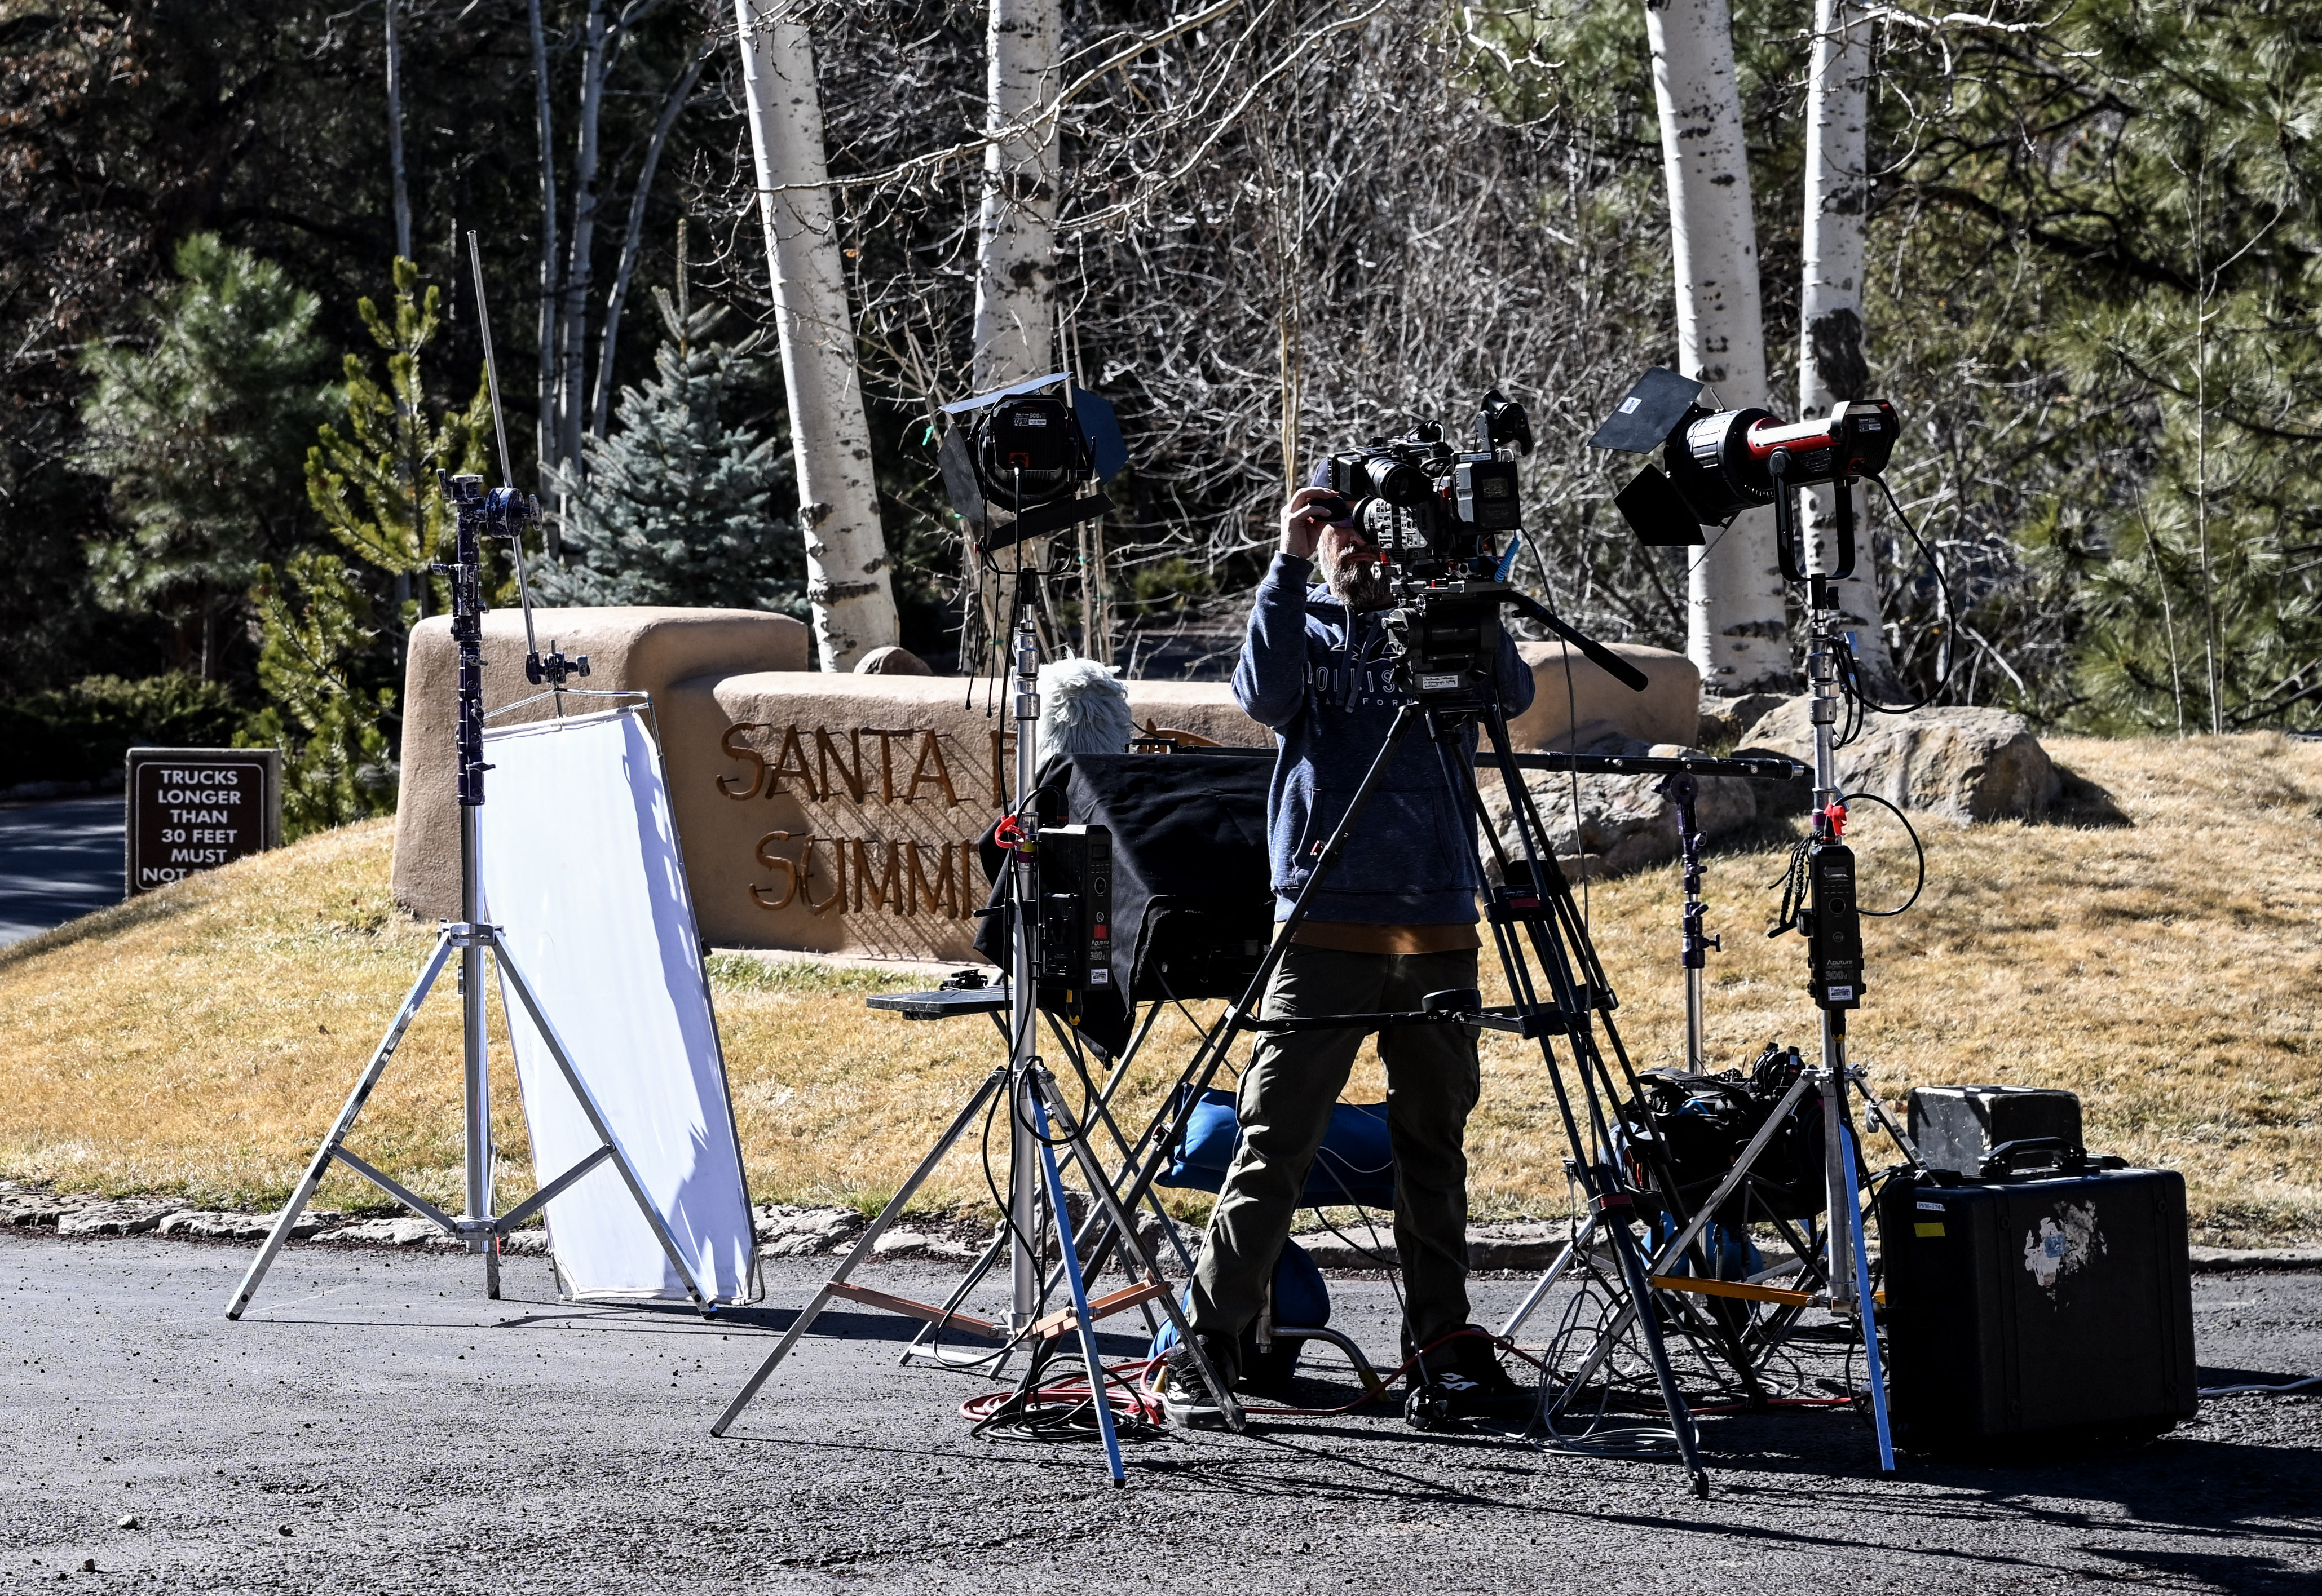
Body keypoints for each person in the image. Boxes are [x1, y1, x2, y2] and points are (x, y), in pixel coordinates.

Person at [1162, 480, 1537, 1427]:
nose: (1367, 553)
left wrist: (1465, 586)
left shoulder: (1442, 616)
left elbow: (1512, 693)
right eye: (1349, 535)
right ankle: (1207, 1348)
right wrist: (1292, 567)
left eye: (1382, 538)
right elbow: (1263, 695)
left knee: (1433, 1145)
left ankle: (1443, 1351)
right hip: (1322, 918)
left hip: (1435, 919)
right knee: (1272, 1142)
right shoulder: (1309, 618)